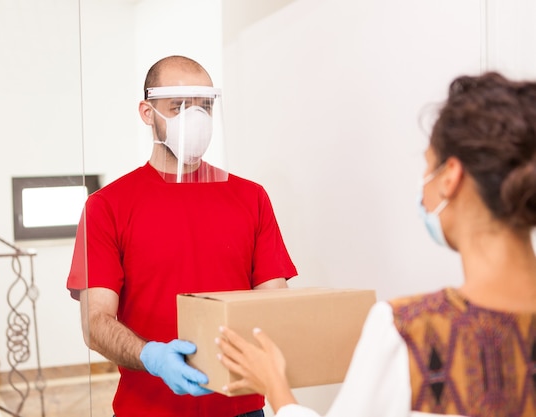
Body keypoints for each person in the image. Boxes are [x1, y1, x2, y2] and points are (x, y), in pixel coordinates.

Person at [216, 71, 536, 417]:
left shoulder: (410, 330)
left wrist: (275, 387)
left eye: (428, 169)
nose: (422, 189)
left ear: (450, 177)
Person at [66, 55, 298, 417]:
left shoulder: (251, 197)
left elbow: (274, 308)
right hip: (147, 410)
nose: (196, 120)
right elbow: (95, 323)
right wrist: (150, 355)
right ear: (147, 112)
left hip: (242, 409)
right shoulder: (107, 206)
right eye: (179, 107)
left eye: (204, 107)